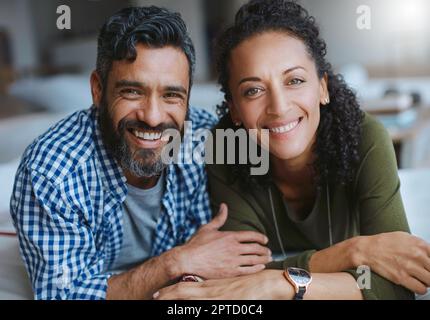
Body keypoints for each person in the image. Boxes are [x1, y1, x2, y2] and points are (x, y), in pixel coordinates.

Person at [154, 0, 430, 300]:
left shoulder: (367, 138)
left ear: (322, 87)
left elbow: (399, 287)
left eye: (295, 80)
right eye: (253, 90)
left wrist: (275, 284)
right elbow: (238, 280)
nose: (279, 107)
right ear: (233, 108)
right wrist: (352, 252)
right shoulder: (226, 148)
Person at [9, 6, 271, 300]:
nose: (153, 117)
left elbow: (213, 248)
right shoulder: (52, 171)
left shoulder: (206, 139)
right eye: (133, 91)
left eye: (172, 95)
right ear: (98, 90)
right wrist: (174, 262)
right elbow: (63, 295)